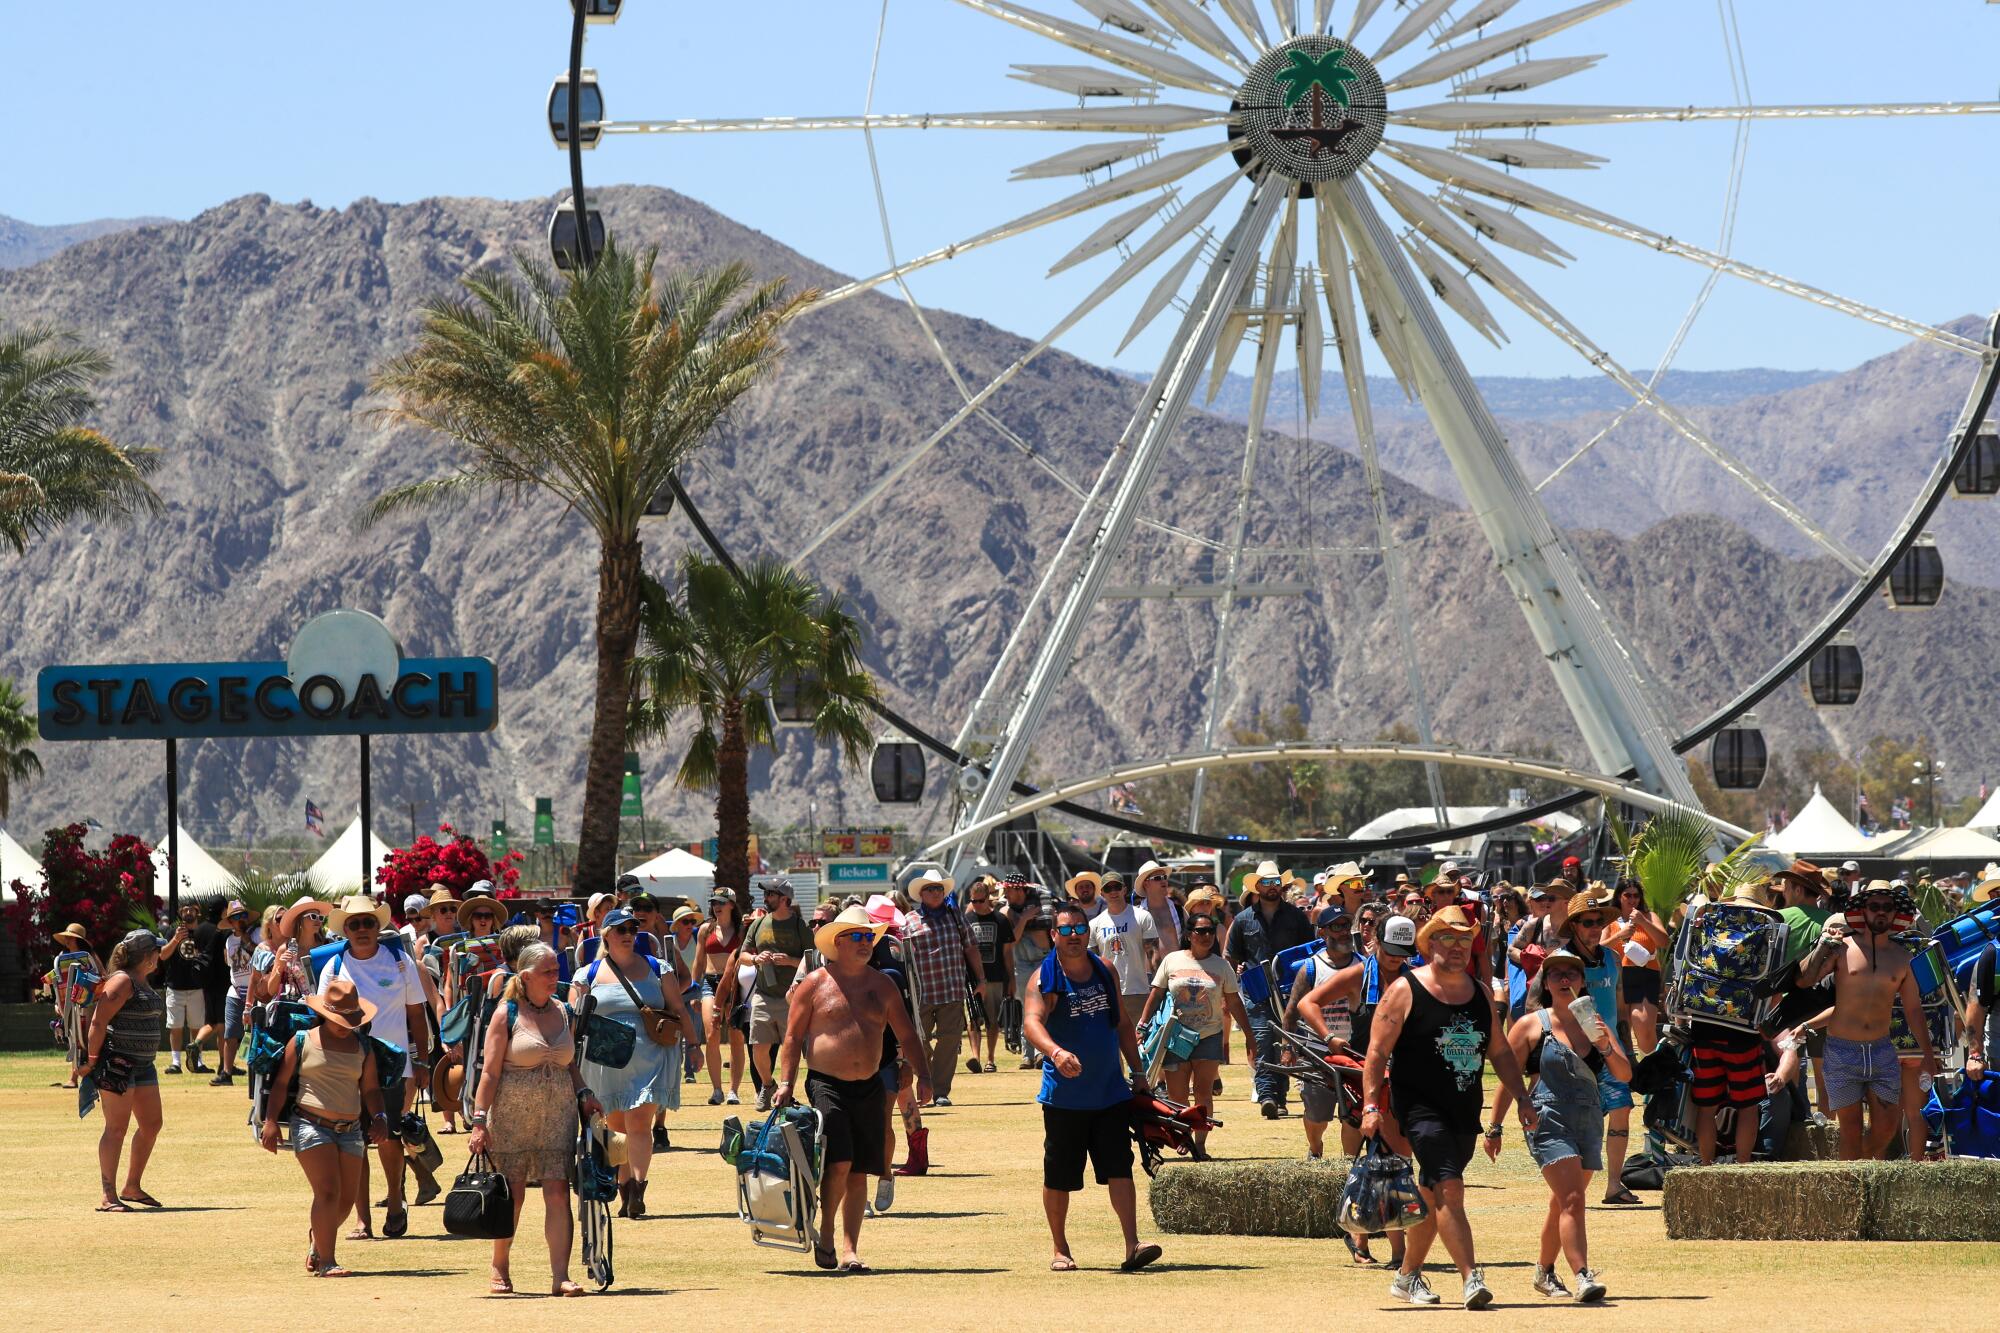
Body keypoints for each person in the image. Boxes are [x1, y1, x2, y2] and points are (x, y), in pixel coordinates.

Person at [1362, 906, 1536, 1309]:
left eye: (1464, 940)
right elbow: (1376, 1052)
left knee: (1432, 1192)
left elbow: (1500, 1051)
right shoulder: (1406, 989)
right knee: (1450, 1187)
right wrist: (1372, 1105)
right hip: (1419, 1108)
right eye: (1449, 938)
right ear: (1430, 943)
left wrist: (1522, 1099)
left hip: (1463, 1109)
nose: (1458, 947)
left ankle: (1407, 1277)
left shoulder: (1478, 992)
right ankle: (1471, 1279)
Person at [776, 906, 931, 1272]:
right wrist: (785, 1082)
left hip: (871, 1085)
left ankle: (850, 1249)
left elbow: (907, 1034)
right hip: (826, 1084)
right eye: (858, 937)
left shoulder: (883, 984)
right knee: (840, 1160)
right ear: (838, 942)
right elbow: (794, 1036)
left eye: (869, 937)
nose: (865, 943)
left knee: (861, 1168)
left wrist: (923, 1074)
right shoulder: (813, 983)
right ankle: (826, 1231)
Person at [1023, 901, 1161, 1273]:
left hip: (1110, 1091)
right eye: (1065, 930)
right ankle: (1060, 1248)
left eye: (1079, 929)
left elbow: (1122, 1023)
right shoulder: (1044, 978)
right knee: (1059, 1175)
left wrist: (1138, 1071)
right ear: (1054, 935)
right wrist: (1055, 1052)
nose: (1073, 936)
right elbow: (1031, 1023)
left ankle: (1132, 1245)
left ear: (1089, 931)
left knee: (1120, 1168)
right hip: (1065, 1098)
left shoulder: (1105, 970)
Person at [1488, 949, 1628, 1303]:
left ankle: (1544, 1271)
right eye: (1556, 975)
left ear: (1582, 982)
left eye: (1571, 974)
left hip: (1588, 1118)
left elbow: (1626, 1074)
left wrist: (1604, 1046)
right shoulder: (1531, 1024)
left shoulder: (1596, 1022)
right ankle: (1582, 1275)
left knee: (1562, 1202)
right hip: (1546, 1118)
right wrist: (1494, 1127)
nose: (1564, 979)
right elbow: (1508, 1078)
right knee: (1573, 1199)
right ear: (1546, 983)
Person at [469, 943, 602, 1295]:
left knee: (557, 1191)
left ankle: (561, 1276)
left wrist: (585, 1093)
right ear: (525, 977)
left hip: (557, 1115)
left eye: (556, 970)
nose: (554, 977)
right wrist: (479, 1120)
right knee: (511, 1193)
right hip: (512, 1116)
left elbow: (570, 1062)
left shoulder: (562, 1009)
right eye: (547, 972)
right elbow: (490, 1074)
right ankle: (500, 1264)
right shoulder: (505, 1014)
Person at [260, 976, 390, 1278]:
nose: (346, 1025)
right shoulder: (303, 1040)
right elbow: (280, 1084)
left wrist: (380, 1117)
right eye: (340, 1019)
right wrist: (269, 1121)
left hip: (352, 1128)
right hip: (310, 1124)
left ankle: (317, 1240)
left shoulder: (363, 1045)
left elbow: (370, 1089)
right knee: (328, 1192)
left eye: (350, 1019)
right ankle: (328, 1261)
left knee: (346, 1199)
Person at [317, 894, 430, 1241]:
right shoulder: (333, 968)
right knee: (354, 1142)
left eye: (369, 922)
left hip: (394, 1066)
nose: (363, 929)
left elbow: (416, 1013)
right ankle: (362, 1218)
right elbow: (323, 1019)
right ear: (345, 930)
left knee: (389, 1137)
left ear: (378, 926)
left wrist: (422, 1060)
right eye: (355, 924)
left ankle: (395, 1200)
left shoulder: (399, 961)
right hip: (347, 1067)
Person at [1795, 882, 1934, 1159]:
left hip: (1882, 1051)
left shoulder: (1902, 958)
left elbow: (1914, 1010)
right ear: (1863, 910)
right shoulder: (1842, 948)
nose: (1881, 912)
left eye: (1887, 907)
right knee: (1850, 1130)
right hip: (1841, 1050)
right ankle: (1852, 1191)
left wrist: (1928, 1055)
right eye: (1874, 906)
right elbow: (1803, 980)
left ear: (1895, 913)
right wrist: (1824, 947)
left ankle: (1858, 1168)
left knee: (1886, 1129)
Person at [569, 907, 693, 1218]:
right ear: (606, 935)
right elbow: (572, 1019)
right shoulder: (588, 974)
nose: (628, 935)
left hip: (650, 1055)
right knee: (615, 1126)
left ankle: (638, 1188)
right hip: (605, 1061)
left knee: (640, 1123)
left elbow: (678, 1007)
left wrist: (694, 1045)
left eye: (632, 929)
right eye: (621, 929)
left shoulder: (657, 967)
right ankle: (624, 1189)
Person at [1137, 911, 1254, 1154]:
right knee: (1178, 1095)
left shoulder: (1221, 966)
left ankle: (1199, 1144)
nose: (1207, 935)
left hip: (1208, 1036)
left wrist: (1249, 1036)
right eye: (1201, 931)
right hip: (1175, 1035)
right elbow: (1156, 994)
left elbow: (1233, 1002)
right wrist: (1143, 1024)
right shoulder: (1172, 960)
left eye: (1211, 931)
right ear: (1189, 934)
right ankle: (1183, 1136)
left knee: (1203, 1093)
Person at [78, 930, 169, 1212]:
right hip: (118, 1064)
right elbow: (98, 1021)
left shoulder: (141, 980)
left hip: (143, 1067)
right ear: (147, 955)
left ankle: (132, 1187)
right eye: (157, 950)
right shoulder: (121, 980)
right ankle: (108, 1195)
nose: (159, 955)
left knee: (152, 1124)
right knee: (116, 1128)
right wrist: (91, 1060)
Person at [1225, 859, 1312, 1119]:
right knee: (1262, 1042)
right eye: (1267, 882)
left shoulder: (1297, 916)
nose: (1272, 887)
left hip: (1289, 990)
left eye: (1276, 882)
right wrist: (1237, 977)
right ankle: (1266, 1095)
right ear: (1257, 886)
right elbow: (1231, 955)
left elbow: (1310, 951)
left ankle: (1281, 1096)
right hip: (1256, 991)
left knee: (1284, 1043)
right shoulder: (1243, 920)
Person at [902, 869, 985, 1107]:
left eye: (939, 888)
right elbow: (904, 959)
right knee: (919, 1041)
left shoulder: (956, 917)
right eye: (930, 889)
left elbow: (971, 947)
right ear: (921, 894)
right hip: (922, 993)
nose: (935, 893)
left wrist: (981, 979)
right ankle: (927, 1080)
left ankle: (940, 1091)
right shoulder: (909, 921)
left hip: (952, 989)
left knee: (949, 1041)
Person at [1291, 907, 1363, 1162]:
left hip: (1355, 1051)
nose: (1344, 932)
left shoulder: (1364, 967)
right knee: (1318, 1115)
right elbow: (1291, 1013)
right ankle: (1315, 1147)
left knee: (1354, 1114)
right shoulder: (1310, 968)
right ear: (1322, 932)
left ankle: (1349, 1167)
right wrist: (1288, 1048)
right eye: (1336, 926)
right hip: (1316, 1051)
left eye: (1346, 925)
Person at [736, 879, 810, 1111]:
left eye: (770, 894)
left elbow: (813, 959)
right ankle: (767, 1086)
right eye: (766, 894)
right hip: (763, 995)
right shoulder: (758, 924)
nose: (766, 898)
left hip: (792, 997)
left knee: (791, 1048)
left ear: (784, 898)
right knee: (758, 1046)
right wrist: (756, 959)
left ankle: (786, 1090)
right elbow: (743, 955)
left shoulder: (799, 926)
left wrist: (790, 961)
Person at [1089, 874, 1162, 1025]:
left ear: (1124, 890)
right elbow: (1092, 963)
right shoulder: (1095, 924)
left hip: (1138, 990)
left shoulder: (1142, 916)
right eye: (1108, 888)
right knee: (1111, 1045)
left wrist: (1160, 987)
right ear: (1102, 893)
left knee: (1140, 1044)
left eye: (1117, 887)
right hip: (1108, 992)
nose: (1113, 891)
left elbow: (1153, 954)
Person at [961, 879, 1013, 1075]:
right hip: (972, 979)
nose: (977, 905)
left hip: (996, 977)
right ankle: (976, 1056)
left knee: (993, 1020)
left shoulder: (1000, 920)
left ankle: (990, 1058)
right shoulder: (967, 920)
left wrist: (1011, 979)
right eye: (973, 901)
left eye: (980, 901)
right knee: (973, 1018)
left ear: (988, 899)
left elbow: (1008, 953)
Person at [701, 889, 747, 1106]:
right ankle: (716, 1089)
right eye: (713, 902)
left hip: (734, 985)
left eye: (721, 902)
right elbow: (699, 961)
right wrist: (693, 989)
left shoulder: (742, 930)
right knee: (712, 1034)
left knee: (736, 1037)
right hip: (709, 982)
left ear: (731, 904)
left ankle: (733, 1090)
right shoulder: (705, 928)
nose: (716, 905)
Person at [161, 903, 214, 1075]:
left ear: (197, 912)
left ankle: (197, 1061)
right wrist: (176, 939)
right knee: (175, 1026)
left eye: (191, 909)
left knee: (196, 1026)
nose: (188, 912)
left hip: (197, 986)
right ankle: (175, 1063)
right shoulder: (172, 931)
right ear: (180, 913)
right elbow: (162, 955)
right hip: (175, 986)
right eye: (184, 910)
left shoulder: (203, 933)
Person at [214, 899, 257, 1086]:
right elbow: (229, 964)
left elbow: (261, 957)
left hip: (256, 991)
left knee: (256, 1033)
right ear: (230, 922)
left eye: (243, 916)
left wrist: (247, 941)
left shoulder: (257, 934)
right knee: (230, 1033)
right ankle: (226, 1072)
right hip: (235, 990)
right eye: (236, 917)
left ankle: (255, 1071)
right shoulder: (229, 940)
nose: (241, 920)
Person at [1010, 907, 1054, 1070]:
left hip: (1042, 960)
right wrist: (1023, 919)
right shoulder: (1008, 911)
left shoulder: (1041, 908)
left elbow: (1046, 939)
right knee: (1025, 1011)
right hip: (1021, 965)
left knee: (1043, 1009)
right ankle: (1028, 1055)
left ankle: (1039, 1053)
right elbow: (1011, 939)